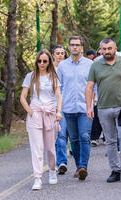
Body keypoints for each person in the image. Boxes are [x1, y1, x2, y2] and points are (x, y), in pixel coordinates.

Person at [85, 38, 121, 183]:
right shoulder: (95, 65)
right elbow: (89, 87)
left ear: (115, 48)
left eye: (110, 48)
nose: (107, 51)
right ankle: (115, 170)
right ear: (100, 50)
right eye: (104, 49)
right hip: (103, 107)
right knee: (110, 140)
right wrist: (88, 107)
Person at [20, 49, 62, 190]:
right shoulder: (30, 76)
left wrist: (59, 112)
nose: (42, 63)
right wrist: (31, 112)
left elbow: (58, 96)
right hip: (36, 113)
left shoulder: (53, 77)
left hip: (50, 113)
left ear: (49, 61)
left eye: (45, 61)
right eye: (39, 61)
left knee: (50, 148)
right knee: (36, 148)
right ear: (36, 62)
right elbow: (22, 97)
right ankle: (37, 177)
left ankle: (52, 170)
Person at [57, 36, 93, 180]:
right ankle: (79, 167)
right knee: (74, 139)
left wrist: (92, 104)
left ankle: (84, 166)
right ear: (69, 47)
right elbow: (58, 87)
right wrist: (58, 107)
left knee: (84, 137)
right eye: (72, 45)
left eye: (77, 45)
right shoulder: (63, 66)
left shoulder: (90, 64)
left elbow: (93, 85)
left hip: (85, 108)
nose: (75, 47)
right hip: (68, 108)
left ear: (82, 47)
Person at [51, 45, 69, 175]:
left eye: (62, 53)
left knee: (64, 134)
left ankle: (62, 162)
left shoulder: (69, 67)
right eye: (57, 53)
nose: (60, 55)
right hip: (52, 106)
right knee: (56, 135)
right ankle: (58, 162)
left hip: (67, 105)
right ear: (53, 55)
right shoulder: (49, 70)